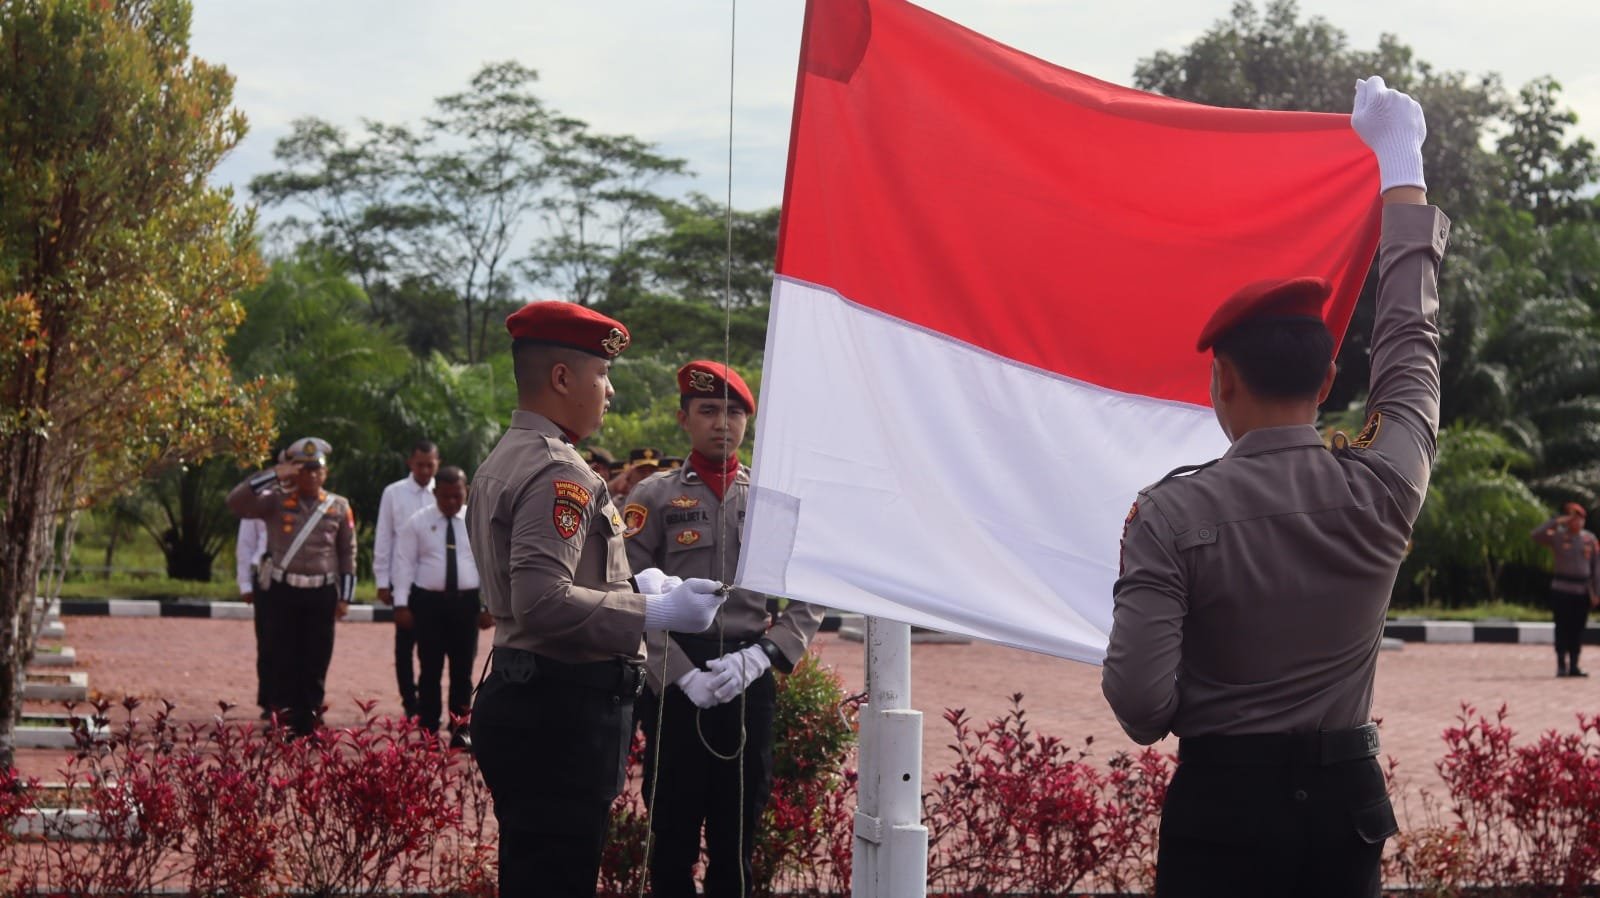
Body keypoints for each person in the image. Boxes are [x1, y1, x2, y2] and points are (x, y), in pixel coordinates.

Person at [1101, 76, 1447, 897]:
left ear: (1221, 381)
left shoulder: (1170, 514)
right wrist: (1402, 163)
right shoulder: (1383, 486)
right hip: (1344, 813)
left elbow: (1143, 706)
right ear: (1327, 381)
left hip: (1223, 813)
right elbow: (1411, 340)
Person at [467, 301, 727, 898]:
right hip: (560, 710)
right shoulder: (558, 473)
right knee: (557, 876)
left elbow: (543, 584)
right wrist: (657, 612)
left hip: (534, 695)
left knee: (536, 873)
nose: (609, 391)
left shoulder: (509, 456)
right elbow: (541, 601)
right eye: (603, 374)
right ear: (562, 378)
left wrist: (636, 588)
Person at [625, 360, 824, 898]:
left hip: (747, 674)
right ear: (683, 418)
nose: (722, 423)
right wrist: (678, 672)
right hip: (676, 682)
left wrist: (763, 656)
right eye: (708, 410)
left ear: (747, 422)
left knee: (739, 833)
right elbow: (626, 591)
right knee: (671, 828)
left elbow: (810, 591)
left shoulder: (771, 502)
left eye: (734, 413)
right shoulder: (652, 497)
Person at [228, 437, 356, 736]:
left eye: (316, 469)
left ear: (325, 472)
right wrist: (274, 474)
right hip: (283, 592)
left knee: (316, 660)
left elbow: (347, 553)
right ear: (294, 472)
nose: (311, 475)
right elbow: (236, 502)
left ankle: (310, 723)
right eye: (304, 469)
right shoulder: (274, 501)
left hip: (321, 592)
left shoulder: (338, 506)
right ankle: (282, 724)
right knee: (282, 658)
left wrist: (345, 597)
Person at [391, 465, 489, 747]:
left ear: (465, 492)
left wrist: (489, 606)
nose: (451, 502)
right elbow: (404, 564)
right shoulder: (418, 522)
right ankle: (429, 730)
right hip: (429, 605)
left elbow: (487, 564)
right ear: (435, 493)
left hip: (466, 604)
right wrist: (401, 604)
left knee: (463, 670)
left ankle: (461, 730)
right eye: (445, 496)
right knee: (430, 669)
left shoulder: (475, 521)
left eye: (457, 496)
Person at [374, 440, 440, 719]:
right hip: (402, 579)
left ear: (437, 464)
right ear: (410, 463)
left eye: (429, 465)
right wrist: (382, 580)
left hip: (432, 582)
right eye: (419, 464)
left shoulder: (445, 492)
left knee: (431, 647)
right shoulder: (394, 493)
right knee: (405, 645)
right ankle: (409, 701)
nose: (424, 470)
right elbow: (384, 536)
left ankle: (428, 701)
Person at [1532, 502, 1599, 677]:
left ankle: (1574, 665)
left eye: (1579, 518)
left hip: (1582, 591)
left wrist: (1596, 592)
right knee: (1562, 627)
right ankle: (1561, 664)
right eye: (1572, 518)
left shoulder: (1590, 539)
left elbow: (1596, 568)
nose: (1576, 522)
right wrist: (1556, 521)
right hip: (1562, 589)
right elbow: (1536, 535)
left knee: (1578, 628)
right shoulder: (1558, 536)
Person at [235, 514, 270, 718]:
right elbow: (246, 543)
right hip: (267, 573)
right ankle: (271, 701)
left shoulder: (315, 498)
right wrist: (245, 583)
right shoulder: (259, 499)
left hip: (303, 574)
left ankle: (304, 703)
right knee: (269, 641)